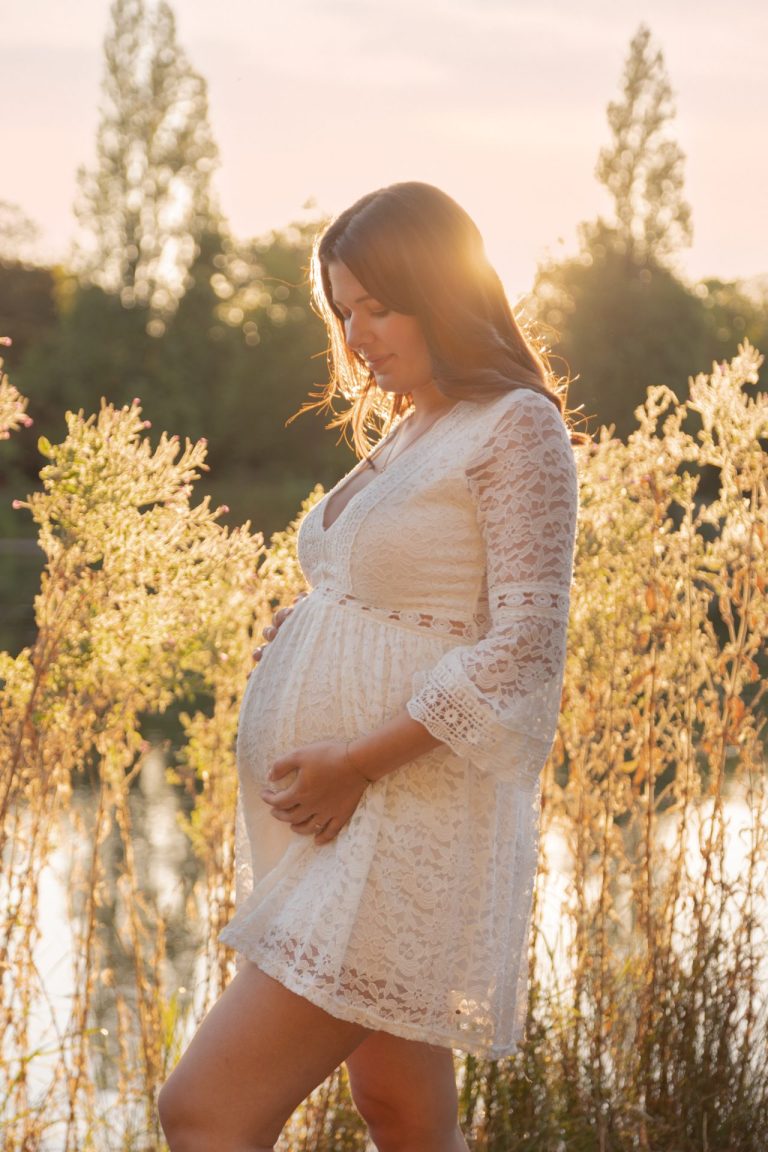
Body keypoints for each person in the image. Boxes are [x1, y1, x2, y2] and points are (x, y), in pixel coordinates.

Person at [158, 182, 581, 1152]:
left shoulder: (517, 427)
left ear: (447, 292)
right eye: (344, 310)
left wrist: (355, 762)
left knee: (203, 1110)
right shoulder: (410, 428)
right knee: (399, 1113)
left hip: (402, 814)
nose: (357, 334)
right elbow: (399, 595)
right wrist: (308, 625)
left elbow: (524, 646)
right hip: (350, 823)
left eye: (379, 305)